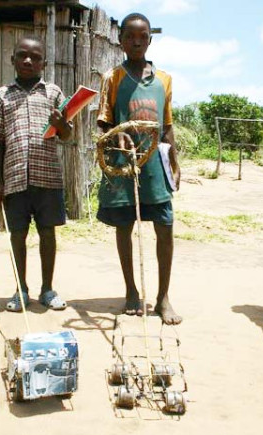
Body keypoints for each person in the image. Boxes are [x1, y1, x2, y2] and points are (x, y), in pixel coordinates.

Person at [96, 12, 181, 325]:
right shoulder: (112, 77)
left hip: (155, 165)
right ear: (120, 40)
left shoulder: (164, 79)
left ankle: (163, 297)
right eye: (129, 37)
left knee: (165, 227)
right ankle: (131, 290)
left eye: (142, 37)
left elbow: (167, 126)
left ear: (149, 40)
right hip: (123, 164)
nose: (136, 42)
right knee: (124, 226)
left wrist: (175, 162)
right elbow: (104, 121)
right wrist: (116, 135)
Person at [0, 36, 71, 312]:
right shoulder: (2, 95)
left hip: (48, 177)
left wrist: (61, 124)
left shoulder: (54, 93)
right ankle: (21, 290)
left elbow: (67, 134)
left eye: (35, 57)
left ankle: (47, 289)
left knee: (47, 233)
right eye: (22, 55)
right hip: (15, 178)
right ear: (13, 60)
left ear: (44, 62)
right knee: (17, 235)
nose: (28, 60)